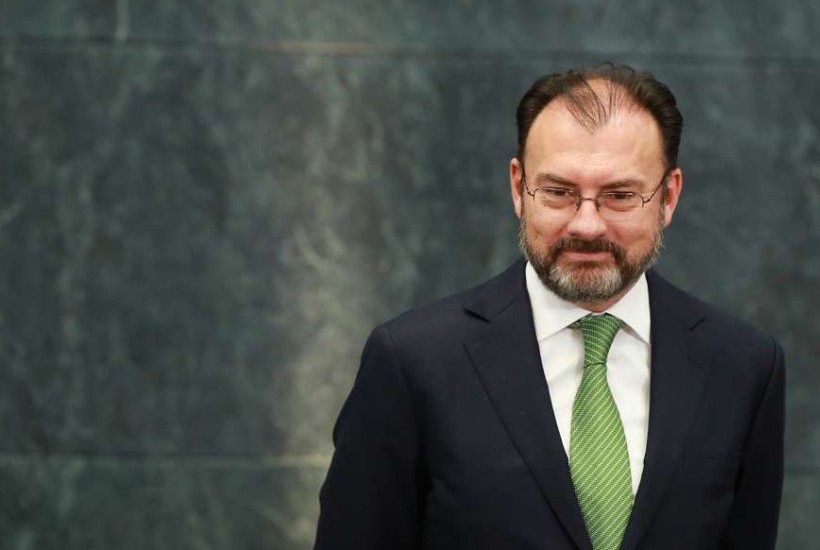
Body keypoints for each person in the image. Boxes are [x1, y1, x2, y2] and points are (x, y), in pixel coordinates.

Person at [314, 63, 785, 550]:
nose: (586, 225)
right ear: (519, 188)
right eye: (559, 192)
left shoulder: (743, 367)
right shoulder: (413, 361)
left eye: (620, 196)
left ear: (668, 196)